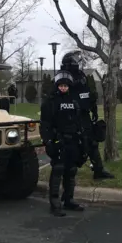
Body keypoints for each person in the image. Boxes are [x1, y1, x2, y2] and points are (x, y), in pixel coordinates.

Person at [60, 51, 114, 180]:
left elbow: (87, 93)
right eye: (75, 60)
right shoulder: (63, 77)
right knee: (72, 145)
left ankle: (98, 170)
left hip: (84, 115)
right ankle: (67, 172)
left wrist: (93, 109)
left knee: (92, 142)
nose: (78, 62)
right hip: (70, 117)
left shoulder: (81, 75)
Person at [40, 70, 87, 216]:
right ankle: (55, 203)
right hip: (58, 140)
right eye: (61, 86)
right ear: (57, 86)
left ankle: (68, 199)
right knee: (58, 170)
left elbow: (79, 121)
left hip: (73, 140)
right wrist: (48, 141)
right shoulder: (50, 102)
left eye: (66, 86)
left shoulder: (74, 101)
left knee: (71, 170)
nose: (63, 88)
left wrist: (82, 139)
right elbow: (45, 124)